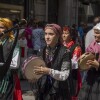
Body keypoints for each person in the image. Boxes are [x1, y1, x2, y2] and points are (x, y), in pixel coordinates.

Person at [24, 23, 72, 100]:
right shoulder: (41, 50)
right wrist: (34, 77)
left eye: (51, 34)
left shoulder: (65, 51)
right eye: (45, 34)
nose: (47, 37)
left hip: (59, 91)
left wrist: (48, 71)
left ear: (58, 36)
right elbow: (39, 69)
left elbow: (65, 75)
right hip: (44, 90)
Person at [0, 18, 22, 100]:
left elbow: (15, 64)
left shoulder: (13, 42)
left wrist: (2, 66)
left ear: (8, 28)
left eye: (1, 27)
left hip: (7, 78)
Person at [78, 23, 100, 100]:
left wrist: (98, 66)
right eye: (95, 33)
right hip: (90, 78)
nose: (95, 35)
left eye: (97, 33)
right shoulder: (92, 45)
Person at [62, 26, 82, 98]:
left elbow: (74, 63)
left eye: (66, 33)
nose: (63, 35)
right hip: (61, 74)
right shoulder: (61, 45)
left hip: (72, 75)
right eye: (63, 33)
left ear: (71, 36)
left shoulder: (76, 47)